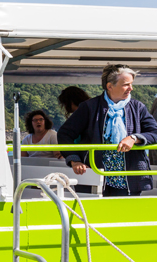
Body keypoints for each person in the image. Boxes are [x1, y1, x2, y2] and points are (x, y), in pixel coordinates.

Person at [58, 64, 157, 196]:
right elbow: (65, 134)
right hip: (95, 175)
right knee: (95, 216)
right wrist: (74, 160)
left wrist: (134, 138)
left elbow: (155, 132)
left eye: (131, 84)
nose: (131, 88)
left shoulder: (138, 107)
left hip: (128, 179)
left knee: (125, 216)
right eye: (126, 84)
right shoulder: (89, 107)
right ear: (110, 86)